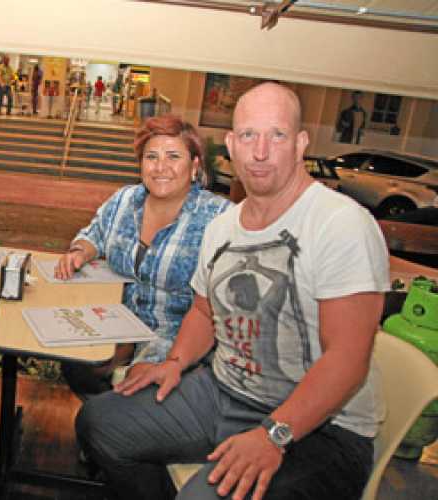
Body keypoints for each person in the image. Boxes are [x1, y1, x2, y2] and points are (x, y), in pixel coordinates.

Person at [76, 82, 389, 500]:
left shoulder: (340, 223)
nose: (260, 151)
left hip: (324, 429)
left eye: (276, 135)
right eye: (248, 135)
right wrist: (175, 361)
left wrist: (273, 433)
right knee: (99, 423)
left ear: (300, 144)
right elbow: (204, 312)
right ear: (230, 145)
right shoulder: (224, 227)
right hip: (224, 392)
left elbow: (348, 359)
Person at [55, 114, 230, 400]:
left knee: (134, 396)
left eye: (173, 156)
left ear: (195, 165)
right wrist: (80, 251)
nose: (160, 167)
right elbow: (96, 233)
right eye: (151, 157)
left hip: (176, 337)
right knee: (78, 361)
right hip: (117, 320)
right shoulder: (125, 200)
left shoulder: (219, 217)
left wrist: (165, 357)